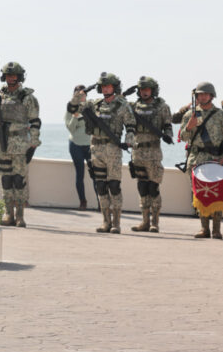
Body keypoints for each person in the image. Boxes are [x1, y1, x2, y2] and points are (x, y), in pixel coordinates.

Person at [70, 72, 135, 233]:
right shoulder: (94, 104)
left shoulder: (122, 105)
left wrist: (129, 140)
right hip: (96, 148)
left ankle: (116, 223)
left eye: (108, 86)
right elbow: (73, 107)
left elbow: (131, 125)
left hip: (113, 149)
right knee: (100, 186)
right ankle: (106, 221)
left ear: (114, 87)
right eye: (103, 86)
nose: (105, 89)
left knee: (114, 186)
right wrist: (83, 94)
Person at [0, 62, 41, 227]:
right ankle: (8, 214)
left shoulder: (28, 98)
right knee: (6, 180)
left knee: (18, 180)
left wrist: (33, 145)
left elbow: (35, 122)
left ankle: (20, 216)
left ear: (20, 77)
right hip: (2, 143)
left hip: (20, 144)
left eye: (14, 75)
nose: (11, 78)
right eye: (8, 75)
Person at [128, 76, 173, 232]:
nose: (144, 92)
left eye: (147, 89)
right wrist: (123, 95)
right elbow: (117, 106)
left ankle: (155, 222)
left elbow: (168, 125)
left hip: (153, 153)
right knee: (142, 187)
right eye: (141, 89)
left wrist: (168, 135)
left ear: (153, 90)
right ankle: (144, 222)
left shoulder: (162, 107)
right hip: (137, 152)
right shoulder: (133, 106)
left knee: (153, 188)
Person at [180, 82, 223, 239]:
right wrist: (189, 127)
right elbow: (183, 137)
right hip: (197, 158)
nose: (202, 97)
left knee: (217, 194)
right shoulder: (189, 115)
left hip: (215, 158)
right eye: (200, 94)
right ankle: (204, 228)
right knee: (199, 194)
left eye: (205, 94)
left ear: (212, 96)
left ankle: (217, 230)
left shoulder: (220, 115)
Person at [65, 85, 93, 210]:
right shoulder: (70, 109)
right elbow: (71, 128)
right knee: (79, 174)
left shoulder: (90, 107)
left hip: (90, 145)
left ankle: (100, 203)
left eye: (83, 94)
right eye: (78, 94)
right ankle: (83, 201)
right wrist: (76, 115)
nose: (81, 96)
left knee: (96, 174)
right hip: (75, 145)